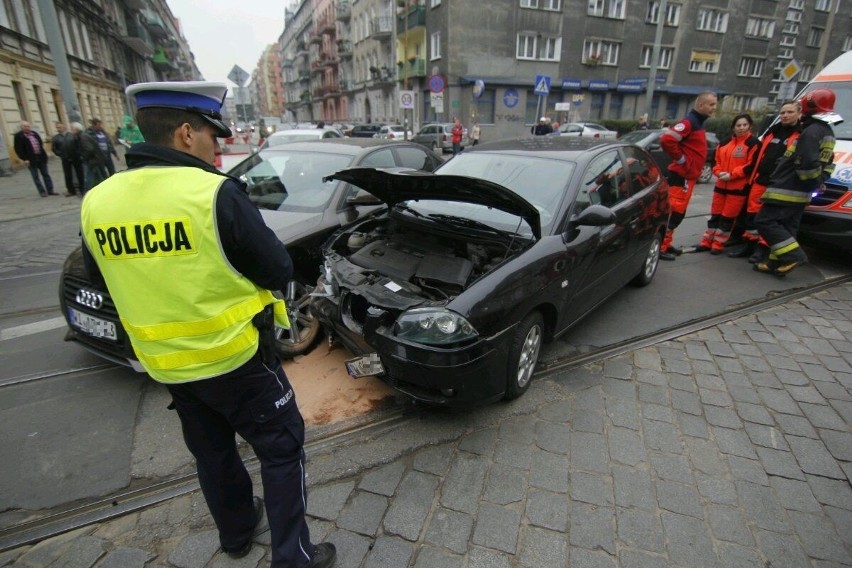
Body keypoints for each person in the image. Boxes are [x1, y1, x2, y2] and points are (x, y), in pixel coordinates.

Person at [79, 82, 338, 568]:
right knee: (282, 450)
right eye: (211, 136)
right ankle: (294, 557)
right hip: (235, 357)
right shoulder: (212, 193)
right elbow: (277, 270)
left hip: (169, 366)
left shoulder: (98, 200)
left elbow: (102, 276)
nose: (216, 147)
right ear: (184, 133)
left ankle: (238, 535)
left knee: (212, 452)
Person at [754, 88, 839, 277]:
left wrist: (811, 181)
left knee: (764, 221)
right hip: (799, 190)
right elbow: (828, 162)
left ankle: (793, 255)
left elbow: (807, 163)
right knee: (786, 226)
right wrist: (818, 181)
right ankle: (776, 262)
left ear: (810, 106)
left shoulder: (812, 131)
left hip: (787, 188)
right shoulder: (826, 131)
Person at [729, 100, 802, 262]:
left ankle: (762, 249)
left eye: (790, 112)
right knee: (752, 216)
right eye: (782, 112)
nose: (785, 115)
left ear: (799, 114)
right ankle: (749, 245)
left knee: (769, 218)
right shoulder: (772, 131)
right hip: (760, 180)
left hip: (779, 184)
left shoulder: (800, 134)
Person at [658, 91, 718, 260]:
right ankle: (661, 247)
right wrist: (682, 159)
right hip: (681, 175)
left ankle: (666, 243)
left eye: (715, 104)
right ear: (700, 105)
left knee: (679, 212)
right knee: (675, 212)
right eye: (711, 104)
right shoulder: (690, 122)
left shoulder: (697, 122)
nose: (714, 108)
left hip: (688, 176)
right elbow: (667, 139)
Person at [696, 113, 759, 254]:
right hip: (720, 185)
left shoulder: (753, 143)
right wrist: (718, 173)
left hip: (738, 188)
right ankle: (706, 241)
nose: (741, 128)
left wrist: (732, 175)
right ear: (733, 127)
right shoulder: (724, 143)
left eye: (744, 125)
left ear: (750, 126)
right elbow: (715, 162)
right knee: (715, 216)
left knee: (727, 218)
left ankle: (718, 244)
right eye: (738, 125)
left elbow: (751, 166)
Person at [13, 121, 56, 197]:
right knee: (35, 176)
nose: (27, 128)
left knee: (46, 174)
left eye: (28, 126)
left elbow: (40, 143)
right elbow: (18, 149)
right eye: (25, 126)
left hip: (41, 157)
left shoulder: (34, 134)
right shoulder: (18, 136)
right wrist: (24, 159)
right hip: (30, 159)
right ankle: (42, 191)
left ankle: (50, 190)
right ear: (21, 127)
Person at [72, 122, 108, 194]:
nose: (71, 130)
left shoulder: (82, 137)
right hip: (95, 158)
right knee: (98, 175)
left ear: (76, 129)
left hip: (92, 159)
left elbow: (89, 149)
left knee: (89, 176)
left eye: (72, 129)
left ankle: (86, 192)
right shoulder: (82, 136)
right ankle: (105, 188)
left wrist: (83, 157)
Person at [51, 122, 84, 196]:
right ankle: (71, 190)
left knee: (79, 173)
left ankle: (82, 188)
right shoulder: (56, 138)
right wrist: (60, 154)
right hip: (65, 158)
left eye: (60, 127)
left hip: (75, 157)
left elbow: (78, 145)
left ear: (64, 127)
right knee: (67, 174)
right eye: (57, 127)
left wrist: (78, 154)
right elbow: (54, 148)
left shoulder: (72, 135)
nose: (59, 129)